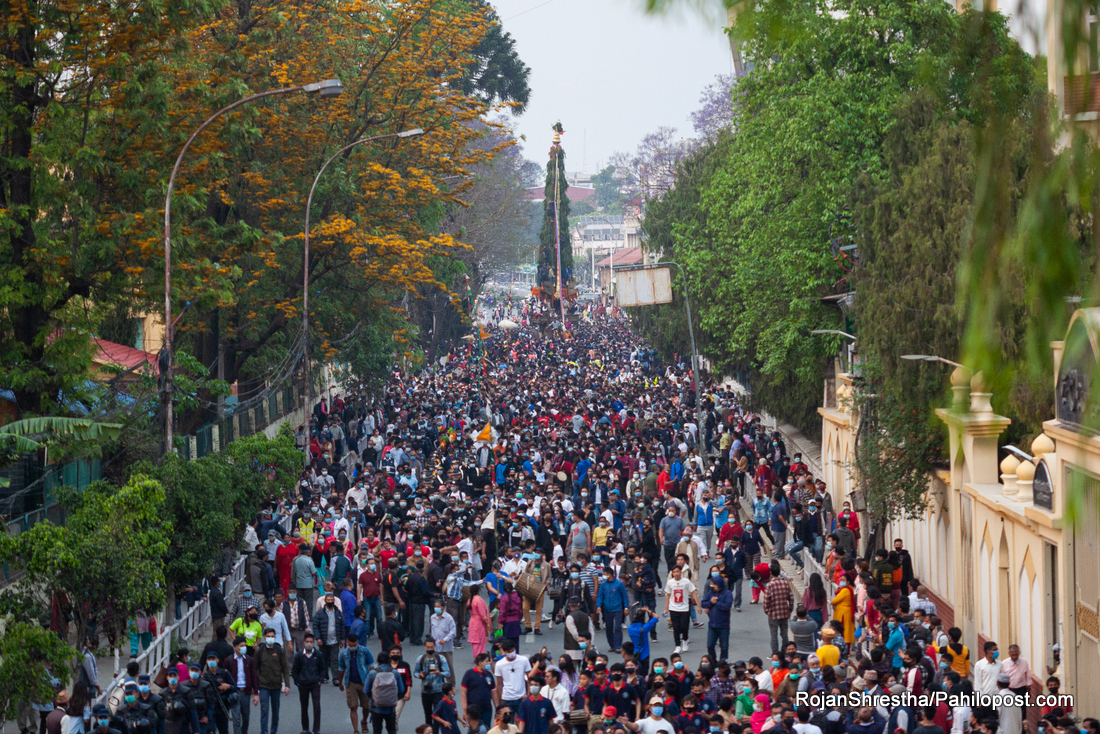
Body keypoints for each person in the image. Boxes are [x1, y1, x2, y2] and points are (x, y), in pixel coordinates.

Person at [254, 628, 290, 734]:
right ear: (264, 637)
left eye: (272, 636)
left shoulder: (279, 650)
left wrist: (287, 685)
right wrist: (254, 686)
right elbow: (254, 668)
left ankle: (273, 731)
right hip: (263, 685)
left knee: (275, 711)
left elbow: (285, 668)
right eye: (268, 636)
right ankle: (264, 732)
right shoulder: (259, 651)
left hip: (276, 685)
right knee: (264, 710)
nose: (270, 638)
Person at [364, 649, 407, 734]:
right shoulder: (395, 673)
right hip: (390, 708)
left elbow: (366, 690)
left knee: (377, 730)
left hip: (376, 707)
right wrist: (394, 698)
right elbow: (401, 690)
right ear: (389, 660)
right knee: (391, 730)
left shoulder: (373, 673)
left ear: (378, 660)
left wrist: (373, 697)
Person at [290, 633, 326, 734]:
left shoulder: (318, 655)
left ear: (314, 643)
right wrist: (297, 682)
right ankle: (305, 729)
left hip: (315, 684)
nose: (309, 644)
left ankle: (316, 729)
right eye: (307, 642)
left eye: (311, 642)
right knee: (304, 707)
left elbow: (323, 669)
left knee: (317, 706)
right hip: (303, 685)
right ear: (304, 643)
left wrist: (320, 680)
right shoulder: (299, 655)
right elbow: (295, 670)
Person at [222, 636, 257, 734]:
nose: (244, 648)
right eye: (241, 646)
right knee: (236, 718)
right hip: (234, 692)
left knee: (246, 717)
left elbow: (254, 676)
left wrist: (256, 693)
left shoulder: (249, 660)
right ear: (236, 647)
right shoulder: (228, 660)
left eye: (244, 645)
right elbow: (224, 676)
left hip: (245, 692)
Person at [662, 565, 698, 653]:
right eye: (674, 572)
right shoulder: (670, 582)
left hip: (685, 608)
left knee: (684, 626)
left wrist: (698, 605)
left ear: (681, 572)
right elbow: (668, 595)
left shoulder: (686, 582)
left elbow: (693, 592)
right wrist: (666, 608)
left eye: (677, 572)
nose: (676, 574)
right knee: (676, 627)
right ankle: (677, 645)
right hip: (673, 608)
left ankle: (685, 640)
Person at [416, 639, 452, 725]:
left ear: (435, 646)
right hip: (425, 690)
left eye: (431, 647)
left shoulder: (441, 658)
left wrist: (439, 673)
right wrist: (420, 675)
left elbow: (447, 673)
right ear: (425, 647)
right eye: (428, 647)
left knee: (437, 715)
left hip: (438, 690)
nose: (429, 649)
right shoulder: (420, 659)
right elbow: (415, 672)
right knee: (427, 715)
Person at [761, 562, 793, 654]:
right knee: (784, 634)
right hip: (784, 613)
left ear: (771, 573)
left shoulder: (769, 585)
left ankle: (775, 653)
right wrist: (790, 610)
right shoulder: (785, 584)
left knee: (774, 635)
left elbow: (766, 600)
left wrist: (767, 611)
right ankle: (786, 652)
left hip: (773, 614)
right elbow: (791, 598)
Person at [700, 570, 732, 662]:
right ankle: (713, 663)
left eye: (713, 584)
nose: (712, 586)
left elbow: (727, 606)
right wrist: (710, 602)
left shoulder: (727, 594)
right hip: (712, 625)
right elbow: (703, 603)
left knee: (724, 647)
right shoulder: (711, 593)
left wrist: (716, 602)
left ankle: (723, 664)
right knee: (710, 646)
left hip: (723, 625)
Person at [595, 566, 629, 652]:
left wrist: (626, 607)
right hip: (607, 609)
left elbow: (624, 596)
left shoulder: (619, 584)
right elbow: (600, 596)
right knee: (609, 628)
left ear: (610, 574)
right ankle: (612, 645)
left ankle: (618, 646)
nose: (604, 576)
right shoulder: (603, 584)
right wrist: (598, 606)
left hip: (618, 609)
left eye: (605, 574)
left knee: (617, 627)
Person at [494, 640, 533, 712]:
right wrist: (499, 701)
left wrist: (528, 695)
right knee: (508, 722)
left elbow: (530, 678)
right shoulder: (499, 664)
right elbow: (499, 684)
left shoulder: (523, 660)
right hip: (507, 697)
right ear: (504, 651)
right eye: (508, 652)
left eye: (512, 650)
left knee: (522, 721)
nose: (511, 653)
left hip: (521, 697)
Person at [462, 654, 497, 732]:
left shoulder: (489, 675)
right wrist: (465, 710)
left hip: (486, 709)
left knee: (487, 729)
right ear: (480, 662)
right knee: (474, 730)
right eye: (487, 661)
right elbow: (463, 693)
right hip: (473, 710)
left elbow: (493, 693)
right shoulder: (469, 674)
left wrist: (497, 709)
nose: (489, 663)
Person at [430, 601, 459, 687]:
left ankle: (451, 684)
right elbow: (432, 630)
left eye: (438, 606)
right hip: (436, 647)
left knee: (448, 665)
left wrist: (445, 639)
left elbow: (453, 631)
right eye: (435, 606)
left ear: (443, 607)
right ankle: (436, 682)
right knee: (434, 665)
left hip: (446, 647)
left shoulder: (448, 618)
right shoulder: (433, 617)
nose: (436, 608)